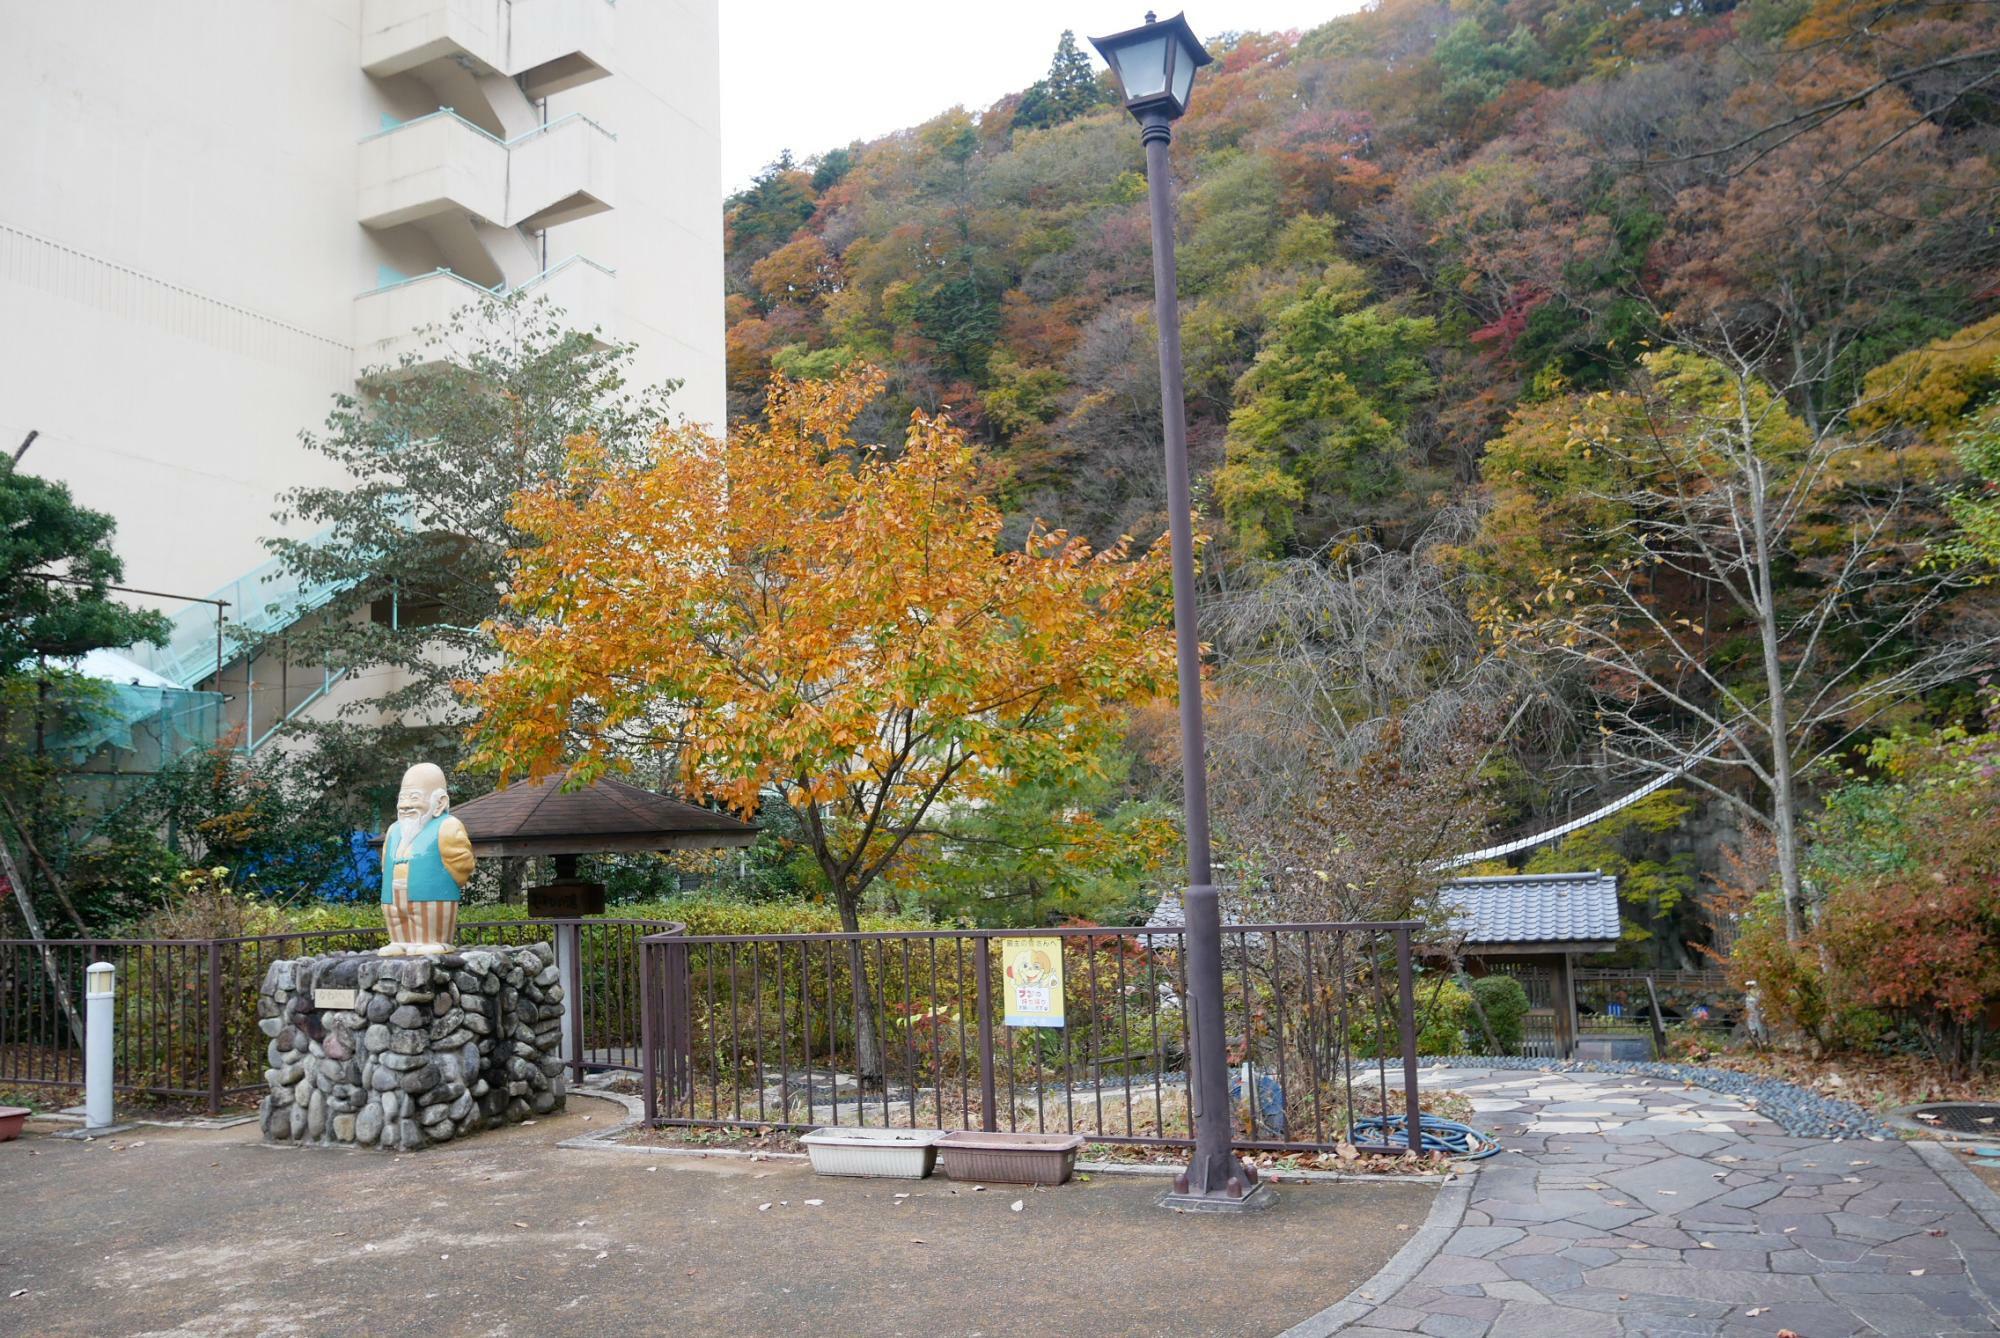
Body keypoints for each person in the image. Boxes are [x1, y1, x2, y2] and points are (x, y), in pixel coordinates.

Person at [379, 762, 475, 956]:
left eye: (414, 797)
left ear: (439, 802)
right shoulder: (393, 830)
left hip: (433, 893)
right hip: (392, 894)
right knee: (396, 917)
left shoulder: (448, 825)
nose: (406, 805)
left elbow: (463, 863)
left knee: (429, 918)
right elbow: (384, 863)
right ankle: (400, 940)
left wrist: (449, 881)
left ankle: (436, 940)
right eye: (402, 798)